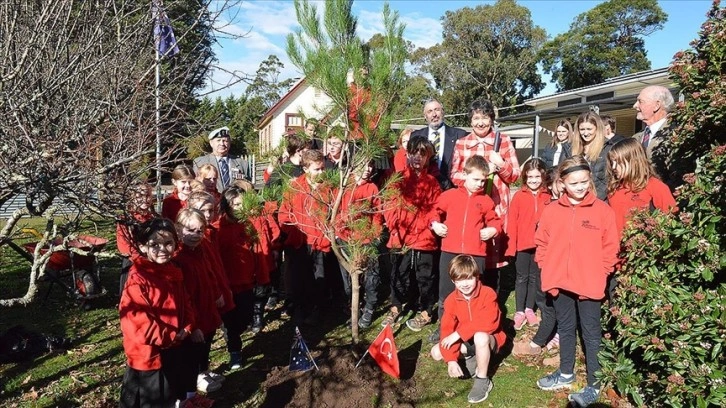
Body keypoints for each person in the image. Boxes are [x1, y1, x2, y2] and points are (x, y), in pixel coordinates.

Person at [534, 156, 619, 407]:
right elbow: (542, 242)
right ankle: (565, 373)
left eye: (584, 181)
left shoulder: (603, 211)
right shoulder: (551, 210)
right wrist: (546, 267)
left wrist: (601, 273)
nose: (581, 187)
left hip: (589, 284)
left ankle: (595, 383)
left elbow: (610, 248)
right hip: (559, 281)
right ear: (562, 183)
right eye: (574, 183)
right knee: (566, 328)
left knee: (592, 334)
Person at [119, 218, 200, 408]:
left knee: (169, 394)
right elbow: (137, 321)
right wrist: (169, 335)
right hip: (149, 354)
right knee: (152, 399)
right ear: (143, 247)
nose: (162, 249)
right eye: (154, 244)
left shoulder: (173, 271)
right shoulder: (139, 278)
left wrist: (188, 325)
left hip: (173, 348)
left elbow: (185, 302)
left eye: (168, 243)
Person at [429, 155, 502, 337]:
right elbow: (433, 212)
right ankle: (444, 328)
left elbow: (496, 221)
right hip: (450, 251)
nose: (479, 184)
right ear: (464, 175)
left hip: (474, 253)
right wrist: (435, 225)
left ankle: (471, 327)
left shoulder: (485, 201)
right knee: (446, 292)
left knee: (473, 292)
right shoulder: (449, 196)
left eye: (483, 180)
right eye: (475, 179)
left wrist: (492, 230)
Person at [450, 100, 520, 274]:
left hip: (495, 206)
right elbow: (454, 175)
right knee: (470, 252)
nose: (480, 122)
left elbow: (515, 175)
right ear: (470, 121)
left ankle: (491, 298)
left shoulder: (503, 141)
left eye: (485, 117)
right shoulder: (461, 143)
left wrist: (501, 164)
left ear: (492, 119)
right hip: (470, 207)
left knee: (492, 256)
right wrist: (472, 178)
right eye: (476, 118)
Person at [381, 136, 441, 330]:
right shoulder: (397, 180)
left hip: (424, 237)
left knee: (426, 276)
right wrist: (395, 228)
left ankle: (426, 310)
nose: (418, 157)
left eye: (422, 154)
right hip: (401, 237)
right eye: (414, 152)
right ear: (407, 154)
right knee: (399, 273)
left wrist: (432, 224)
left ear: (428, 158)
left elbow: (436, 209)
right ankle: (395, 307)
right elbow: (389, 206)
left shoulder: (432, 183)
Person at [430, 255, 507, 404]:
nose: (465, 284)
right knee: (436, 352)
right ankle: (473, 362)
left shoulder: (487, 293)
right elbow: (446, 330)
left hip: (489, 338)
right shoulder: (451, 300)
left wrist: (458, 334)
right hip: (467, 341)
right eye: (459, 280)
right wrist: (451, 360)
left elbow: (491, 322)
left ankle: (482, 380)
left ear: (477, 277)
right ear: (453, 281)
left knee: (480, 337)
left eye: (469, 279)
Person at [278, 149, 333, 325]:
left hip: (320, 240)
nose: (322, 173)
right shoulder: (294, 188)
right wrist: (294, 234)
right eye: (317, 169)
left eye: (323, 168)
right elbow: (284, 215)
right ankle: (300, 309)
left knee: (319, 278)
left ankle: (318, 309)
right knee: (299, 279)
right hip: (300, 241)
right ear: (306, 168)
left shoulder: (329, 188)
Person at [174, 209, 225, 395]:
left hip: (206, 308)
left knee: (206, 344)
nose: (196, 235)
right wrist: (192, 325)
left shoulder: (200, 250)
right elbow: (183, 296)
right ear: (179, 229)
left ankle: (204, 371)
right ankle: (192, 387)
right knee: (193, 351)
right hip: (193, 316)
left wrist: (217, 293)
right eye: (190, 230)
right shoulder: (178, 258)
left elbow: (210, 273)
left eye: (200, 230)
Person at [505, 158, 551, 331]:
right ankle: (519, 311)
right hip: (522, 245)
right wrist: (511, 247)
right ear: (525, 177)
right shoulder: (518, 196)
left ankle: (529, 308)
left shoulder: (548, 196)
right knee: (521, 277)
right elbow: (512, 223)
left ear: (543, 176)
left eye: (537, 176)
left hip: (540, 245)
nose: (533, 180)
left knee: (535, 277)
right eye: (530, 177)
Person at [216, 187, 256, 370]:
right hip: (228, 282)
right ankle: (235, 352)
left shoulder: (247, 224)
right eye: (236, 205)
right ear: (228, 206)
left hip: (246, 279)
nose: (240, 208)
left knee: (246, 316)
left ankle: (235, 335)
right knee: (231, 322)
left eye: (243, 204)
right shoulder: (218, 229)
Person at [607, 138, 677, 238]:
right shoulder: (614, 188)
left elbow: (671, 218)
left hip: (641, 248)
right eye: (612, 162)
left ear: (634, 161)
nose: (613, 167)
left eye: (618, 162)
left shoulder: (655, 186)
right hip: (616, 249)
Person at [410, 99, 468, 189]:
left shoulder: (459, 135)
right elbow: (410, 165)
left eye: (437, 110)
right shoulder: (416, 136)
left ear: (443, 112)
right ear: (425, 116)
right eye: (430, 111)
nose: (434, 114)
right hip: (423, 190)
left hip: (450, 191)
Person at [116, 182, 157, 295]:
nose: (144, 199)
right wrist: (139, 259)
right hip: (133, 262)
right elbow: (124, 246)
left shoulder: (154, 218)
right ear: (132, 197)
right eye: (140, 195)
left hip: (153, 259)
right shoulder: (125, 220)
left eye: (148, 195)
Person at [632, 85, 676, 188]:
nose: (635, 105)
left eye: (640, 101)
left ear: (657, 105)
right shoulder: (636, 137)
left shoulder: (674, 135)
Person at [193, 126, 249, 193]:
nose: (222, 144)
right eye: (218, 140)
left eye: (225, 141)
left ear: (229, 143)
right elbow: (195, 187)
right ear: (211, 143)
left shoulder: (242, 163)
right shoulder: (199, 163)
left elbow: (247, 187)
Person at [571, 112, 611, 201]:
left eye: (589, 129)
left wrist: (594, 199)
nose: (585, 133)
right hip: (576, 199)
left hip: (600, 200)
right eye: (582, 129)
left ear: (597, 129)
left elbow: (609, 179)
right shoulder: (571, 148)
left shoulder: (608, 149)